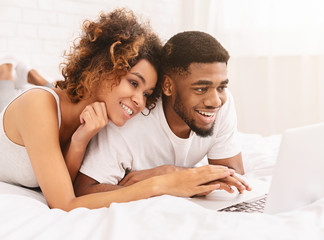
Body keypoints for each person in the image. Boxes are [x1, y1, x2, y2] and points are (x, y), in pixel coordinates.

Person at [0, 9, 235, 211]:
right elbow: (65, 204)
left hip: (50, 105)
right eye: (134, 83)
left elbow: (66, 184)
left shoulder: (97, 122)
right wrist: (162, 184)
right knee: (8, 91)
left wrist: (79, 142)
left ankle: (33, 76)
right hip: (13, 106)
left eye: (146, 93)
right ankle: (11, 72)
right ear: (103, 69)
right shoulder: (37, 107)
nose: (139, 102)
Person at [74, 31, 251, 198]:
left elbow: (231, 174)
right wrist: (168, 180)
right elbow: (84, 190)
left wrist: (171, 175)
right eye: (201, 89)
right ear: (167, 86)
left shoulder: (223, 103)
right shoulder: (128, 121)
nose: (215, 101)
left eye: (221, 87)